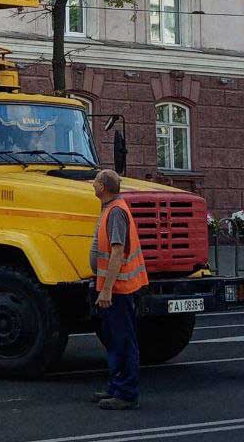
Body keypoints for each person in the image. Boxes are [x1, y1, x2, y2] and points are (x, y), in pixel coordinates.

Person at [90, 168, 147, 411]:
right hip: (114, 287)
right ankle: (116, 387)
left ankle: (126, 393)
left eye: (95, 181)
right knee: (114, 339)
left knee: (123, 341)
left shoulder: (115, 212)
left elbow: (116, 252)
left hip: (119, 289)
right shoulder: (112, 208)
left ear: (103, 187)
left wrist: (107, 290)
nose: (92, 184)